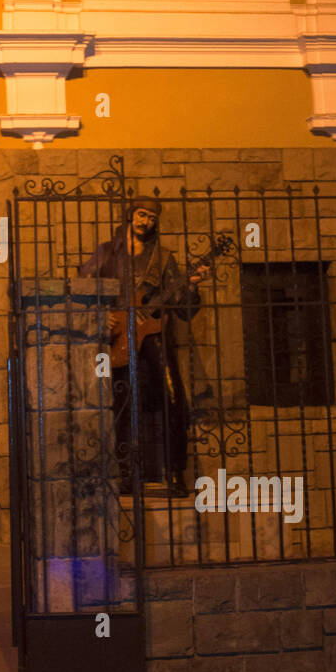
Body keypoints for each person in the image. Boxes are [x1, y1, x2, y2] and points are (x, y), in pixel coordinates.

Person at [78, 198, 212, 496]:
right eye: (141, 214)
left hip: (154, 338)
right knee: (119, 403)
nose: (146, 221)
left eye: (151, 217)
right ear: (130, 215)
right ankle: (122, 474)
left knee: (173, 399)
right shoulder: (106, 253)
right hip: (115, 338)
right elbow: (81, 290)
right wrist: (102, 315)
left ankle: (176, 473)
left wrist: (190, 286)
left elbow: (183, 311)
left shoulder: (163, 259)